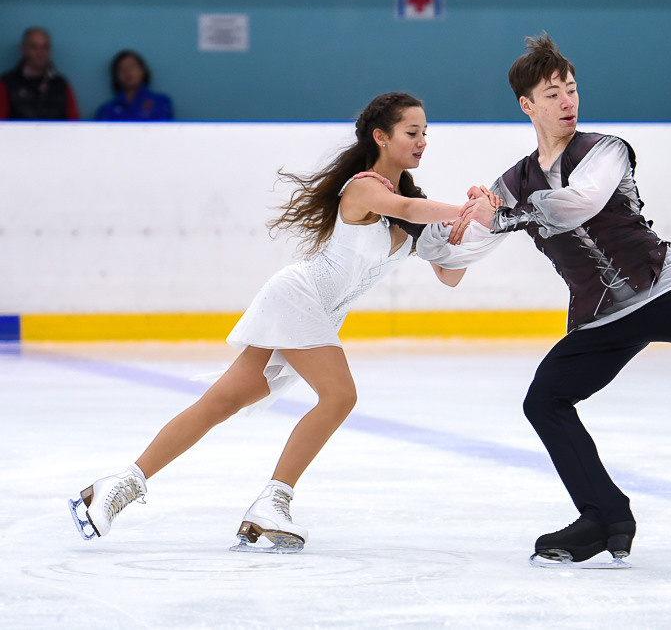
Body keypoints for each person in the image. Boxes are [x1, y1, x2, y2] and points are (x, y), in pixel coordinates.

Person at [417, 34, 671, 568]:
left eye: (571, 89)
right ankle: (604, 515)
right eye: (552, 94)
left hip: (662, 287)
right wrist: (436, 229)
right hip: (600, 315)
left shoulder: (605, 150)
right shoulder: (512, 181)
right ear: (527, 105)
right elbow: (456, 264)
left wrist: (497, 214)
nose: (567, 101)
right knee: (543, 401)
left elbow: (578, 205)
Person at [69, 92, 467, 552]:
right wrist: (465, 208)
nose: (421, 142)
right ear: (381, 136)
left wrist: (479, 231)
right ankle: (273, 501)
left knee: (219, 403)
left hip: (318, 313)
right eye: (412, 132)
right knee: (340, 396)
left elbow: (450, 273)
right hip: (299, 297)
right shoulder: (365, 187)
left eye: (425, 134)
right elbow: (414, 212)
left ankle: (114, 488)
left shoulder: (411, 202)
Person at [0, 27, 79, 120]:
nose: (40, 52)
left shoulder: (61, 85)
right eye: (34, 47)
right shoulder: (7, 83)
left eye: (45, 47)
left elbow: (74, 126)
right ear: (23, 49)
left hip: (56, 134)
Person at [95, 50, 174, 121]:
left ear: (142, 71)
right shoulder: (107, 110)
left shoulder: (160, 102)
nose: (128, 72)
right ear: (116, 76)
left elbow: (162, 132)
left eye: (132, 67)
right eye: (121, 69)